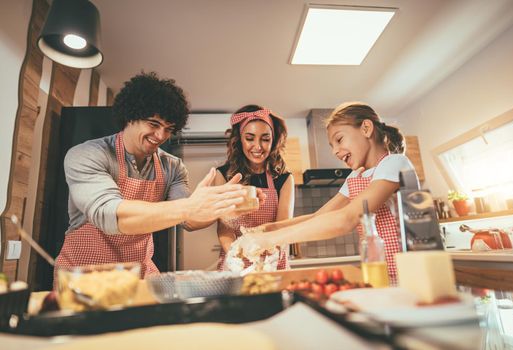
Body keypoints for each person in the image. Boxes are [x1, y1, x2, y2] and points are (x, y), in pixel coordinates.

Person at [54, 72, 253, 282]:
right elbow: (109, 215)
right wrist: (190, 206)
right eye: (153, 124)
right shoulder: (87, 154)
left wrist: (221, 205)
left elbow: (189, 219)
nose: (160, 136)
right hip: (82, 277)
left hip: (138, 274)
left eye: (168, 129)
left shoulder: (172, 167)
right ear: (130, 115)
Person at [240, 102, 415, 282]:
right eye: (332, 145)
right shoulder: (356, 176)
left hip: (410, 273)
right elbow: (319, 216)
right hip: (379, 273)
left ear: (366, 128)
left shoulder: (395, 163)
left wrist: (270, 239)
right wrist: (269, 228)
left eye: (339, 140)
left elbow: (347, 219)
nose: (335, 152)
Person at [215, 105, 294, 271]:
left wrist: (271, 256)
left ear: (273, 141)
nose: (257, 146)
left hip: (272, 262)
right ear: (239, 139)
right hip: (236, 263)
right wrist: (235, 256)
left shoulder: (284, 179)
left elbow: (282, 227)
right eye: (250, 138)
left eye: (265, 139)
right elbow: (224, 228)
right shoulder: (224, 176)